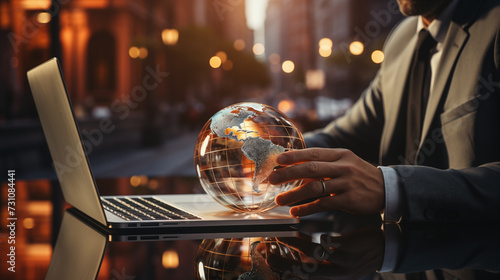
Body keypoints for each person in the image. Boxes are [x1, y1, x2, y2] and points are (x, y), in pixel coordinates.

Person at [269, 0, 500, 223]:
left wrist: (392, 188)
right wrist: (271, 153)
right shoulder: (402, 38)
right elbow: (348, 135)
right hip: (400, 256)